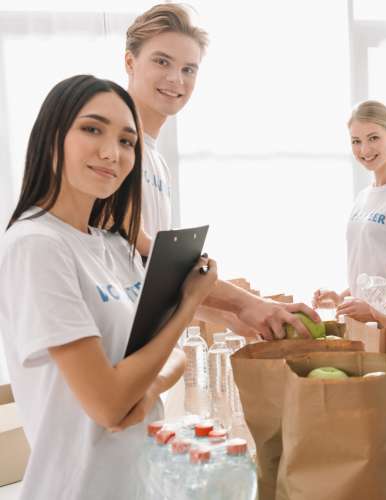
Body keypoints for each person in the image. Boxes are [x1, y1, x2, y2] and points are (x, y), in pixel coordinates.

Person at [0, 74, 217, 500]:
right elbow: (107, 405)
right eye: (92, 129)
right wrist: (189, 305)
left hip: (140, 483)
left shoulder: (115, 246)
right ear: (51, 136)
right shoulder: (35, 246)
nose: (111, 153)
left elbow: (166, 357)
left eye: (126, 141)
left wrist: (146, 388)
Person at [124, 4, 317, 339]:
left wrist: (228, 316)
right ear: (130, 62)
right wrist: (244, 304)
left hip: (142, 352)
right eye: (161, 61)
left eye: (189, 69)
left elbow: (151, 279)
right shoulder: (117, 149)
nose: (175, 79)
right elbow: (141, 249)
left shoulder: (155, 158)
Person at [313, 101, 386, 323]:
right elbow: (375, 268)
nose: (365, 150)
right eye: (356, 141)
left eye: (373, 138)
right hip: (366, 327)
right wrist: (341, 297)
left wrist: (376, 312)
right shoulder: (363, 197)